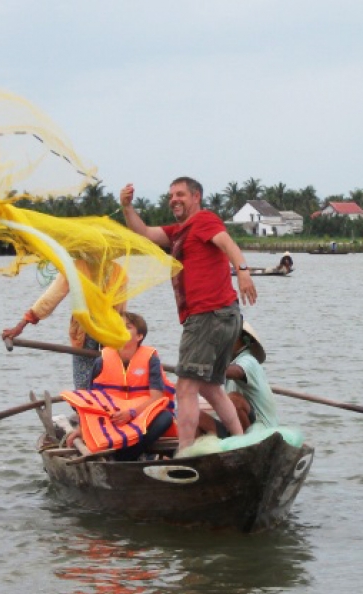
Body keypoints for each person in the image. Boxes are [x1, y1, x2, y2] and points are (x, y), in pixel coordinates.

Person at [119, 177, 257, 454]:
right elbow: (144, 233)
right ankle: (241, 441)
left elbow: (228, 244)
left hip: (208, 315)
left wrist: (243, 271)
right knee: (211, 387)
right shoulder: (179, 232)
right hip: (225, 316)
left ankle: (184, 453)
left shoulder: (204, 220)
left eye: (180, 194)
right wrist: (126, 207)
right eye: (171, 196)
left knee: (185, 387)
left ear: (196, 197)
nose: (174, 200)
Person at [62, 311, 176, 461]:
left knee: (165, 417)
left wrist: (132, 413)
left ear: (139, 336)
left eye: (128, 327)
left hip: (140, 415)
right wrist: (82, 429)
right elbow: (91, 401)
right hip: (112, 418)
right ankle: (131, 454)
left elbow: (157, 397)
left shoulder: (150, 360)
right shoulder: (102, 361)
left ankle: (127, 456)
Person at [2, 259, 126, 390]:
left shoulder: (104, 270)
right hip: (94, 331)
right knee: (96, 379)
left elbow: (121, 310)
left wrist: (21, 325)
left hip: (99, 330)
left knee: (97, 380)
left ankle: (90, 402)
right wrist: (22, 324)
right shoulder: (84, 268)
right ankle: (92, 403)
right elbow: (51, 297)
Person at [198, 321, 278, 437]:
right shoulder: (230, 363)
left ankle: (243, 445)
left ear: (242, 340)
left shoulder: (249, 361)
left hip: (261, 430)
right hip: (235, 427)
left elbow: (236, 372)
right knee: (194, 416)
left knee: (234, 400)